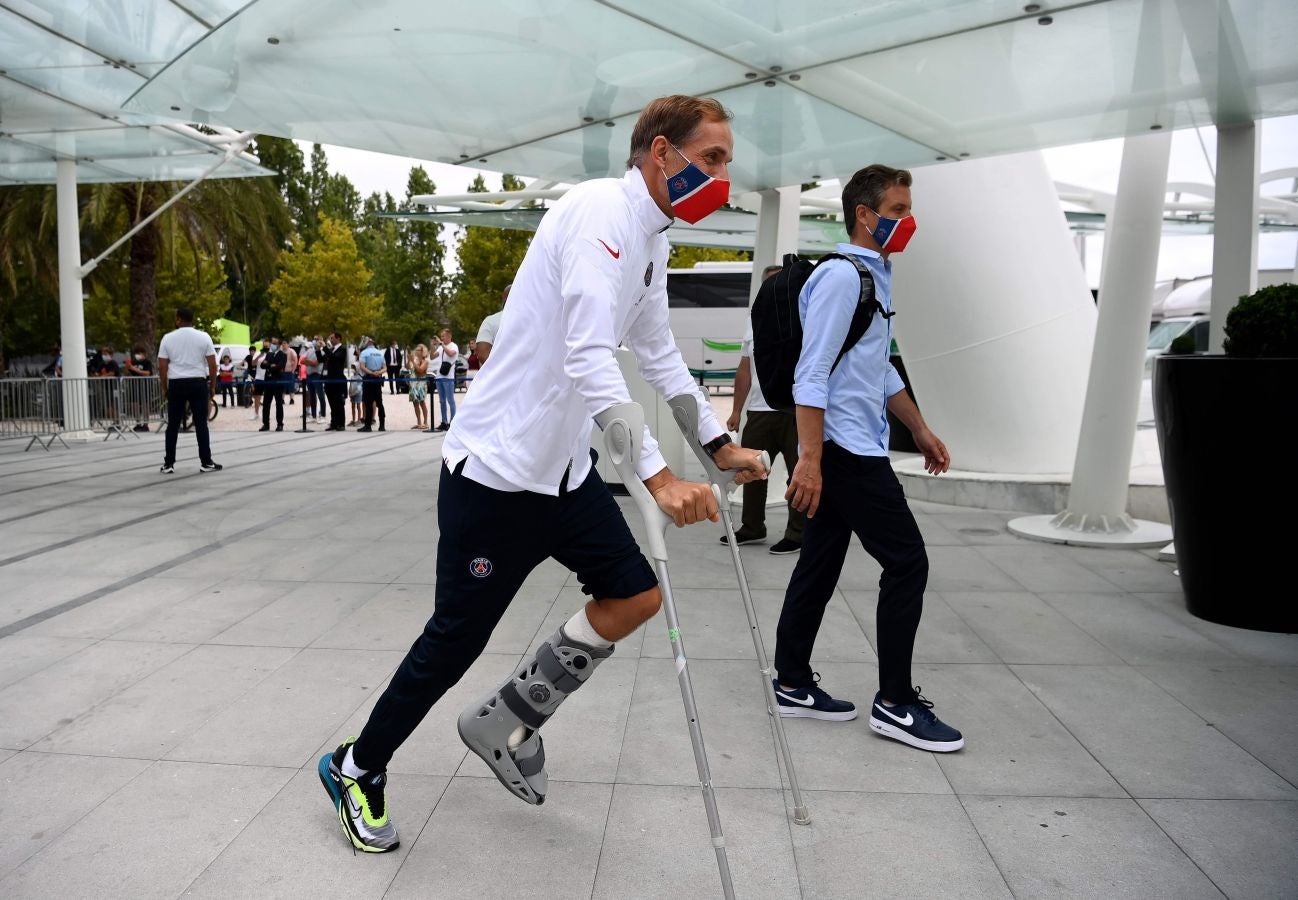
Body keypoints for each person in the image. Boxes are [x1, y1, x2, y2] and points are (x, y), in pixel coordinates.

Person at [317, 94, 766, 854]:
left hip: (561, 475)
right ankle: (356, 766)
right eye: (713, 159)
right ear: (662, 153)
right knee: (454, 640)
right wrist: (659, 479)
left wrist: (718, 444)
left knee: (635, 594)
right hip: (495, 474)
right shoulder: (600, 215)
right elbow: (590, 353)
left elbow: (656, 354)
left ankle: (506, 716)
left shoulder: (651, 242)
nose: (724, 178)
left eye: (727, 162)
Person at [772, 164, 962, 753]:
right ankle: (896, 703)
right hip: (846, 450)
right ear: (864, 213)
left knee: (819, 564)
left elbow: (876, 369)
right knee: (908, 562)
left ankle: (794, 683)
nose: (907, 222)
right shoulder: (842, 278)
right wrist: (810, 459)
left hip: (855, 442)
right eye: (899, 211)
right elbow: (813, 371)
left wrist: (921, 430)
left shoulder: (874, 278)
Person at [722, 264, 804, 555]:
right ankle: (752, 527)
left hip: (796, 412)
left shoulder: (803, 317)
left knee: (799, 474)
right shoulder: (754, 320)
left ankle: (799, 533)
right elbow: (745, 370)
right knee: (750, 470)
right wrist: (736, 410)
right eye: (770, 283)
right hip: (759, 411)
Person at [157, 307, 221, 474]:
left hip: (176, 383)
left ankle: (169, 463)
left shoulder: (167, 338)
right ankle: (206, 462)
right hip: (197, 382)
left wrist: (165, 387)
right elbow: (213, 364)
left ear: (178, 319)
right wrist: (212, 385)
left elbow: (162, 367)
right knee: (201, 423)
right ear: (192, 319)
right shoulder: (203, 337)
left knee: (173, 424)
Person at [474, 283, 509, 365]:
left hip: (500, 375)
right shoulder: (532, 321)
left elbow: (482, 354)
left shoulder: (491, 321)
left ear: (504, 298)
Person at [357, 337, 386, 432]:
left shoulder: (364, 353)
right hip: (378, 379)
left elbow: (362, 367)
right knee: (379, 402)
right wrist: (378, 372)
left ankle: (368, 425)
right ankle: (382, 425)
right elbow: (385, 368)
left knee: (368, 403)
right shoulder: (380, 353)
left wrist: (371, 373)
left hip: (368, 379)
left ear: (367, 343)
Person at [430, 328, 457, 431]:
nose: (441, 338)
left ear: (449, 336)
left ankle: (453, 422)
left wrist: (441, 344)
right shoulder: (441, 347)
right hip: (439, 376)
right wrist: (433, 346)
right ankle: (444, 422)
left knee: (450, 400)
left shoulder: (453, 346)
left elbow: (451, 354)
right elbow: (432, 357)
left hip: (448, 377)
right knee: (442, 401)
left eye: (443, 336)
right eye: (441, 336)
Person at [124, 344, 155, 431]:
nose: (138, 354)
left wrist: (134, 369)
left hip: (145, 386)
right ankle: (137, 423)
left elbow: (147, 373)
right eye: (136, 353)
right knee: (134, 405)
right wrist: (127, 367)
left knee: (145, 405)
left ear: (144, 354)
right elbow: (126, 373)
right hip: (134, 386)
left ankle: (145, 424)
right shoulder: (133, 362)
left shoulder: (147, 362)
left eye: (139, 353)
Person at [259, 336, 287, 431]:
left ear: (279, 345)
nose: (272, 345)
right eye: (272, 343)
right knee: (266, 404)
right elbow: (262, 365)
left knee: (279, 403)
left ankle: (280, 424)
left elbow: (280, 366)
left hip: (278, 382)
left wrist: (269, 365)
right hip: (268, 382)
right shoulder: (269, 354)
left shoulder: (283, 355)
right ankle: (266, 424)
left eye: (275, 343)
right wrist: (271, 365)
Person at [322, 332, 349, 431]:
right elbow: (322, 358)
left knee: (339, 403)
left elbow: (334, 358)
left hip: (338, 380)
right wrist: (317, 350)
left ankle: (341, 424)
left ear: (338, 339)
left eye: (332, 338)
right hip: (329, 379)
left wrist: (325, 348)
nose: (331, 340)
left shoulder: (342, 349)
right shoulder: (330, 350)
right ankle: (334, 423)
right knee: (332, 403)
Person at [407, 343, 430, 429]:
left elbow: (420, 370)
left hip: (420, 384)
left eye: (418, 350)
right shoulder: (415, 360)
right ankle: (419, 422)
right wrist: (409, 360)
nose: (416, 352)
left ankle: (425, 422)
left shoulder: (425, 361)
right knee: (415, 403)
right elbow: (409, 368)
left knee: (422, 402)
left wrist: (412, 361)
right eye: (416, 350)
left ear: (422, 351)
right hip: (413, 384)